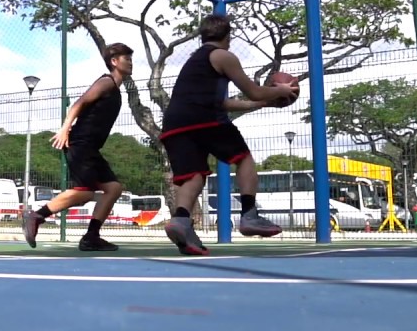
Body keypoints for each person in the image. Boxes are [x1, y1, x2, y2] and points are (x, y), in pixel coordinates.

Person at [158, 14, 299, 255]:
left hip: (174, 124)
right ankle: (249, 215)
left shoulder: (194, 62)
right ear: (228, 36)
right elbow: (254, 91)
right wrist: (281, 90)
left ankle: (180, 220)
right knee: (242, 158)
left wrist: (263, 104)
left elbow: (224, 103)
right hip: (203, 119)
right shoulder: (223, 56)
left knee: (193, 176)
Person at [22, 43, 135, 252]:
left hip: (91, 147)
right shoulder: (106, 82)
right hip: (80, 143)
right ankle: (36, 216)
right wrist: (65, 129)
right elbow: (79, 103)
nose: (130, 62)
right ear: (114, 62)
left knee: (114, 188)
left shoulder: (116, 90)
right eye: (126, 58)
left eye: (131, 58)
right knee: (83, 193)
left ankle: (91, 237)